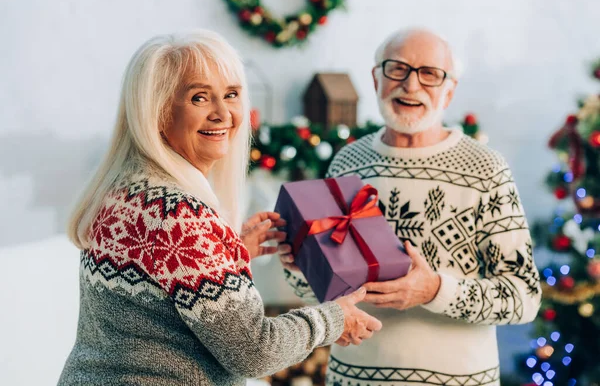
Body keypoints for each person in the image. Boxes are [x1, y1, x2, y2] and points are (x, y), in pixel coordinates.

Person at [58, 30, 382, 386]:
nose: (223, 113)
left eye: (231, 95)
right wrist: (333, 319)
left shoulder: (123, 191)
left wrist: (230, 252)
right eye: (200, 97)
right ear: (159, 111)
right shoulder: (181, 216)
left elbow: (155, 294)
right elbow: (255, 351)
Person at [280, 28, 541, 386]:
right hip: (353, 379)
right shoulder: (347, 163)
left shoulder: (485, 169)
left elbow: (523, 296)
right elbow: (325, 291)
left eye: (430, 74)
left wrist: (434, 290)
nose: (411, 85)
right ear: (376, 78)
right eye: (397, 69)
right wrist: (298, 265)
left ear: (449, 90)